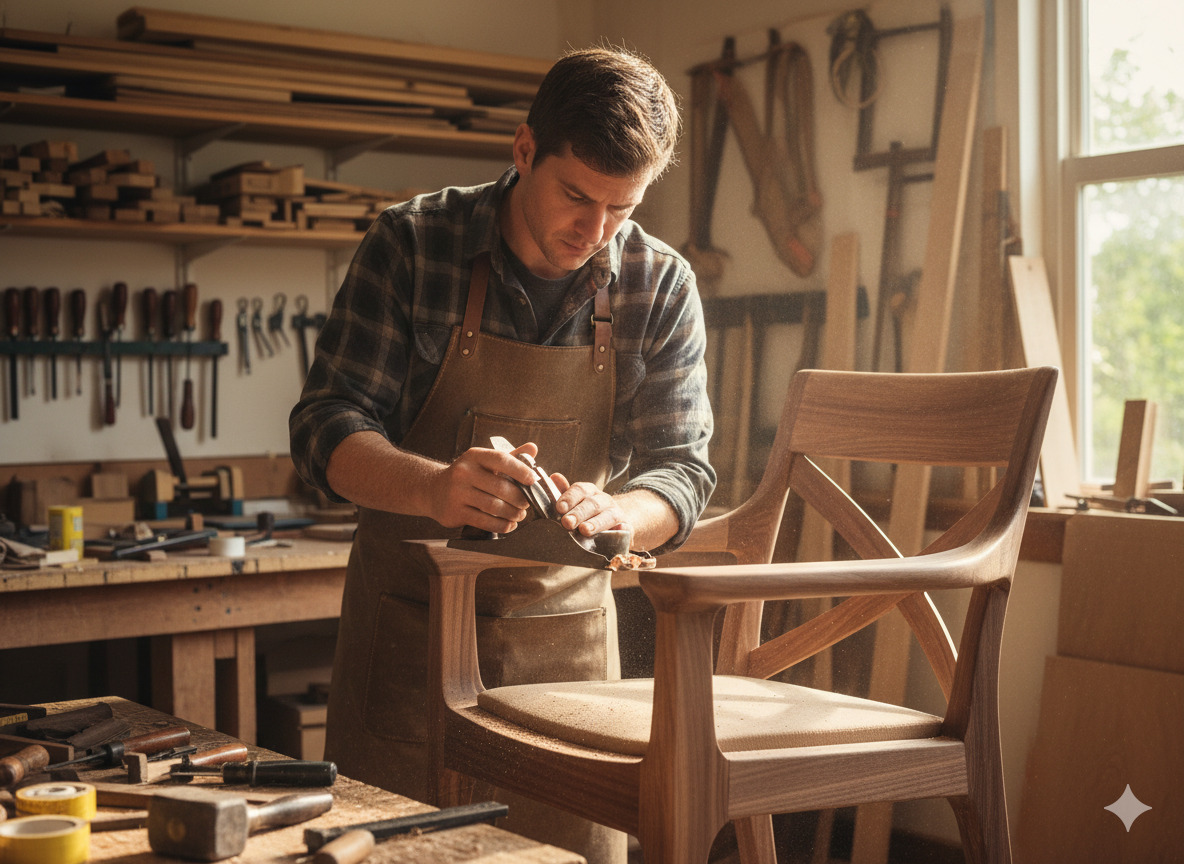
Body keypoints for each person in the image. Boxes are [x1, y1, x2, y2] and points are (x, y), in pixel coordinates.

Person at [289, 45, 715, 864]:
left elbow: (684, 470)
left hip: (565, 659)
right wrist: (433, 488)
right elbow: (324, 427)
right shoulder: (413, 245)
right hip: (407, 640)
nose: (594, 232)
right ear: (524, 150)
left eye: (621, 208)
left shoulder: (659, 284)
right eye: (577, 196)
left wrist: (619, 512)